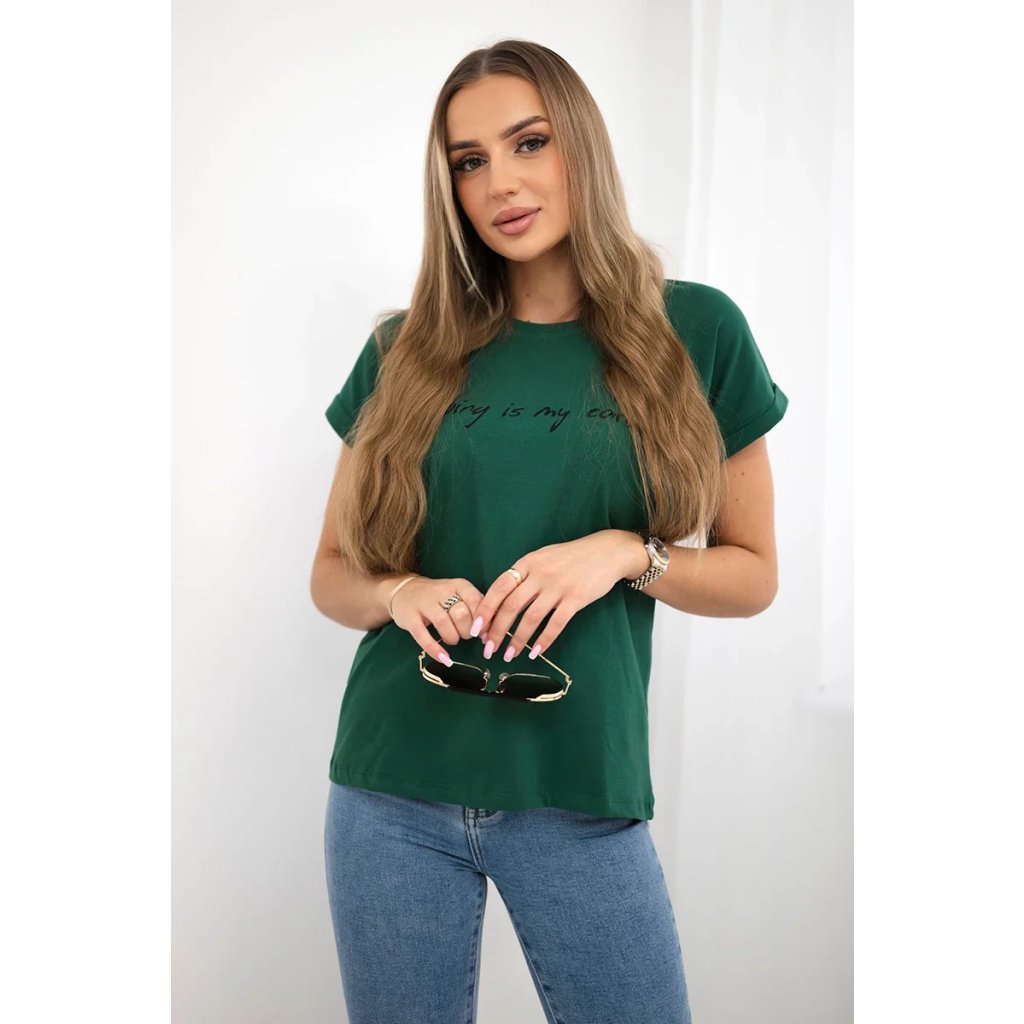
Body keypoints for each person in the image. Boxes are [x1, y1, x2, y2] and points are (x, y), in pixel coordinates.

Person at [309, 38, 788, 1024]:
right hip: (390, 792)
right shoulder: (403, 350)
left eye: (529, 143)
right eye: (469, 160)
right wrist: (398, 591)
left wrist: (626, 553)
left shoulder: (697, 331)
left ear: (581, 145)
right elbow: (331, 575)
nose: (501, 183)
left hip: (578, 791)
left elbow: (752, 576)